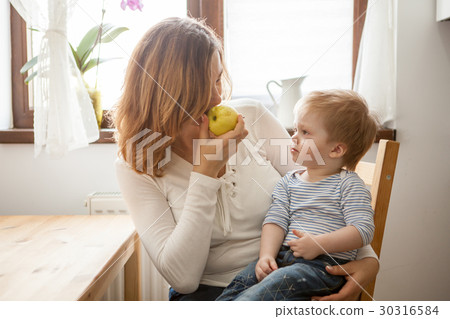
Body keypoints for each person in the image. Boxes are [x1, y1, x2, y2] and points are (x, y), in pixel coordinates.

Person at [113, 17, 380, 301]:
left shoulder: (253, 117)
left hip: (290, 277)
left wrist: (368, 260)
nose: (217, 98)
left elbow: (320, 189)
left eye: (218, 80)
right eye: (206, 85)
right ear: (170, 95)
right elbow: (184, 279)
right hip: (207, 294)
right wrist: (205, 174)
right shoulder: (137, 163)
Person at [216, 90, 379, 301]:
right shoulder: (289, 181)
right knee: (239, 284)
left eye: (305, 132)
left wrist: (319, 244)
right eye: (295, 129)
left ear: (336, 149)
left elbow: (363, 230)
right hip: (283, 257)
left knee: (260, 295)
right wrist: (266, 255)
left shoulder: (348, 184)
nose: (294, 137)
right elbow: (275, 221)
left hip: (322, 267)